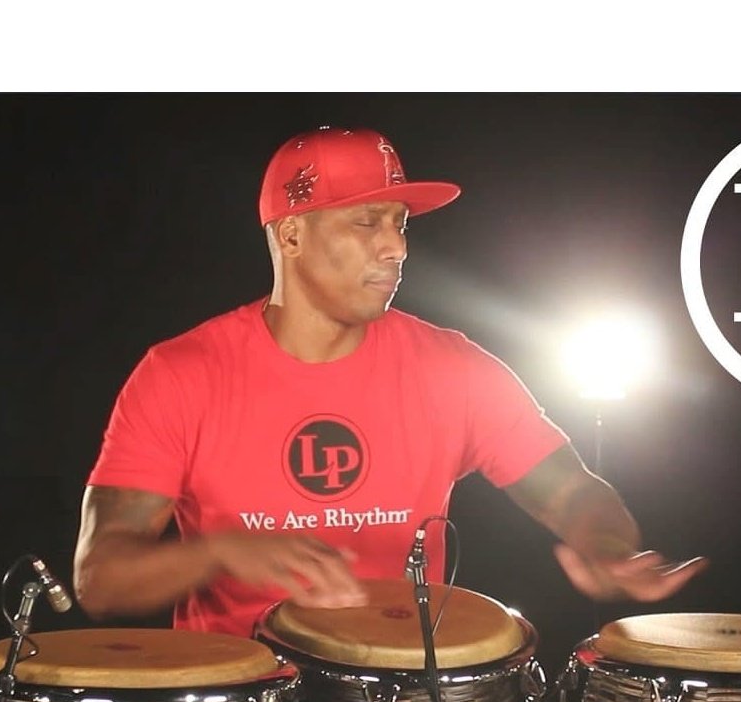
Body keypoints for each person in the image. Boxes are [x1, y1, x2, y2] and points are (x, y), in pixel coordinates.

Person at [73, 125, 707, 637]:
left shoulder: (452, 368)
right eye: (366, 222)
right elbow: (101, 579)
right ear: (291, 234)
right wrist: (220, 551)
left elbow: (571, 490)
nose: (396, 248)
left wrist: (605, 545)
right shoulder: (181, 374)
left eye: (400, 224)